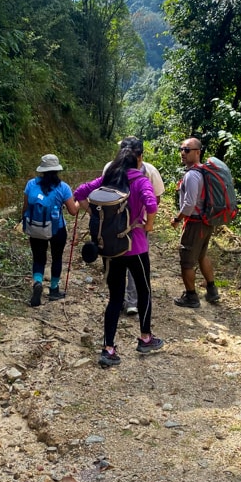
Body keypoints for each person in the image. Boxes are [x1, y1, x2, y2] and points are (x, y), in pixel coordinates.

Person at [75, 147, 163, 367]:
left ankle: (109, 348)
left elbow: (79, 192)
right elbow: (151, 204)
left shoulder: (107, 179)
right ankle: (145, 338)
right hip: (136, 247)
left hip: (112, 249)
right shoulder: (141, 181)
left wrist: (94, 214)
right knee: (143, 292)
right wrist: (148, 225)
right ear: (139, 160)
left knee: (115, 298)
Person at [104, 136, 164, 316]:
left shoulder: (110, 168)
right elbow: (156, 199)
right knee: (136, 264)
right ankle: (132, 301)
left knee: (115, 259)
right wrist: (147, 221)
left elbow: (100, 193)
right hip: (138, 227)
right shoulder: (150, 171)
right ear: (141, 155)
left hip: (112, 226)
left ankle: (117, 299)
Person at [23, 154, 79, 307]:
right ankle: (54, 289)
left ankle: (38, 283)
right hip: (57, 229)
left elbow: (25, 208)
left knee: (39, 258)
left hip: (35, 227)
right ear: (56, 170)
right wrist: (79, 203)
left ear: (42, 170)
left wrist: (26, 225)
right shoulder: (63, 187)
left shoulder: (31, 185)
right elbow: (73, 211)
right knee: (57, 258)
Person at [170, 137, 220, 308]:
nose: (182, 153)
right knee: (201, 255)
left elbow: (189, 204)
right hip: (206, 221)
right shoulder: (203, 171)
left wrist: (177, 219)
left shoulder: (192, 175)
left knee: (186, 262)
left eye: (187, 150)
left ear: (197, 152)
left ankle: (191, 297)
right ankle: (212, 291)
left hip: (195, 223)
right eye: (181, 149)